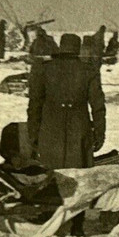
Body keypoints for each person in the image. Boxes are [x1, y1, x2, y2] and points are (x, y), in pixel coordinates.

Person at [27, 33, 106, 170]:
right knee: (79, 180)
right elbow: (98, 106)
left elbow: (35, 104)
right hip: (79, 132)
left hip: (50, 131)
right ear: (78, 49)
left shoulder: (44, 68)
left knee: (50, 180)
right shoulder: (89, 71)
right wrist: (99, 133)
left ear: (61, 47)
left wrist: (33, 133)